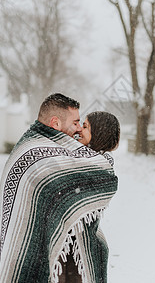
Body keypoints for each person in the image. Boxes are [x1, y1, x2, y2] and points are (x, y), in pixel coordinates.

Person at [0, 93, 118, 283]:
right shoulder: (37, 154)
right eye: (76, 122)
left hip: (67, 252)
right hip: (39, 246)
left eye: (83, 125)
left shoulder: (62, 153)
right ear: (56, 123)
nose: (79, 128)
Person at [59, 111, 120, 283]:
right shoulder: (76, 157)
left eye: (85, 127)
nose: (79, 130)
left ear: (99, 133)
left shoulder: (101, 166)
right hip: (63, 245)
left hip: (80, 248)